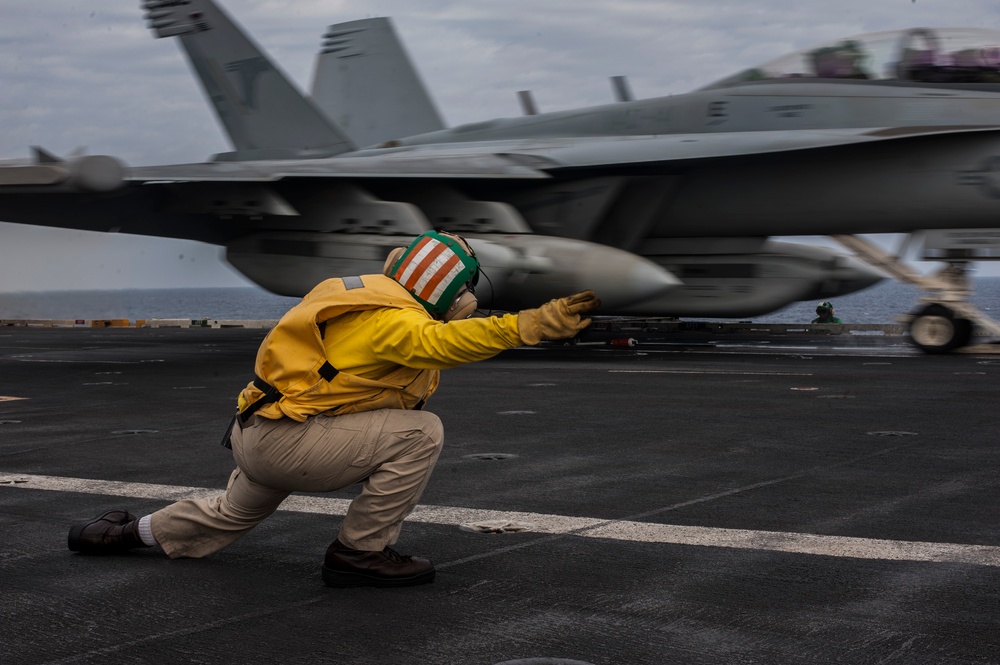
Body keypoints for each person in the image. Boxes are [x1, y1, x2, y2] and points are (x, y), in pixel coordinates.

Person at [67, 230, 601, 588]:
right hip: (292, 442)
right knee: (422, 432)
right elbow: (442, 343)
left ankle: (122, 533)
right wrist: (529, 325)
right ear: (448, 293)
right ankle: (359, 553)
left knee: (230, 512)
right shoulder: (394, 323)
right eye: (463, 294)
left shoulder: (358, 296)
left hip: (264, 428)